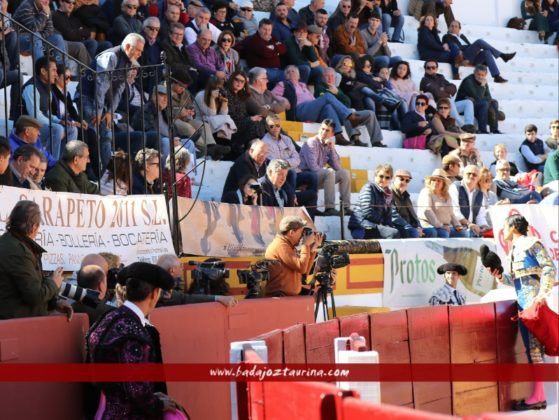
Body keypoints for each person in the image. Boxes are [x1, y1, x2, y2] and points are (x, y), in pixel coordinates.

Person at [86, 262, 186, 419]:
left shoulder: (107, 318)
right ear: (155, 294)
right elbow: (135, 388)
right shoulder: (134, 331)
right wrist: (158, 403)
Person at [487, 214, 556, 411]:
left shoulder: (532, 243)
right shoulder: (515, 250)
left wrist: (541, 295)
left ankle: (539, 396)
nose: (504, 231)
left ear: (514, 228)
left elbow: (550, 269)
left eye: (506, 227)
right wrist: (500, 276)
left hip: (532, 304)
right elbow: (513, 280)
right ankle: (539, 395)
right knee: (531, 349)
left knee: (534, 349)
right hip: (524, 305)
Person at [78, 33, 145, 169]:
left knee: (107, 134)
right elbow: (101, 85)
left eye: (141, 51)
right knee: (93, 131)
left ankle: (109, 171)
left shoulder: (128, 62)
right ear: (127, 46)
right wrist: (98, 110)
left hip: (102, 103)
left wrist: (109, 111)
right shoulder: (111, 56)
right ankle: (93, 169)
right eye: (137, 50)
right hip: (87, 97)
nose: (139, 54)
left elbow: (119, 90)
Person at [0, 201, 70, 320]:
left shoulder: (7, 242)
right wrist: (54, 282)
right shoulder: (20, 252)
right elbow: (34, 295)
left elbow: (24, 288)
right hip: (17, 325)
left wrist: (55, 303)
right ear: (34, 227)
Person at [271, 65, 369, 146]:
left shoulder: (303, 86)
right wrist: (282, 99)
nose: (291, 72)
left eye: (293, 71)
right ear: (285, 76)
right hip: (299, 110)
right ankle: (350, 116)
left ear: (299, 76)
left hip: (310, 109)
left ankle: (338, 136)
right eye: (288, 71)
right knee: (327, 96)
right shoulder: (283, 84)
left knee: (328, 107)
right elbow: (272, 95)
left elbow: (313, 100)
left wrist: (318, 103)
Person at [22, 56, 78, 161]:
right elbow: (35, 116)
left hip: (40, 125)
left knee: (72, 129)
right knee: (57, 129)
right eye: (53, 70)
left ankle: (63, 164)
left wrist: (60, 121)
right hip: (28, 127)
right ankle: (51, 164)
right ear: (43, 71)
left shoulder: (47, 88)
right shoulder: (31, 87)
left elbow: (46, 113)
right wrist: (55, 124)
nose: (56, 74)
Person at [299, 119, 352, 216]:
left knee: (344, 173)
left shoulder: (328, 144)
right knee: (329, 172)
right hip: (306, 179)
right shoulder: (311, 142)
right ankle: (330, 208)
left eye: (327, 130)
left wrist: (332, 148)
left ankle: (346, 207)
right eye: (322, 129)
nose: (323, 132)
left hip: (319, 178)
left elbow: (338, 167)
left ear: (332, 134)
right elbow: (313, 168)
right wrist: (328, 172)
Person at [264, 215, 321, 297]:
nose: (302, 236)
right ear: (291, 233)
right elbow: (301, 267)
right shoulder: (281, 245)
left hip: (288, 297)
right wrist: (305, 245)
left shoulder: (288, 245)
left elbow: (304, 272)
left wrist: (312, 249)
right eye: (301, 232)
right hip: (280, 297)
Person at [442, 20, 515, 83]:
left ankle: (497, 77)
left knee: (487, 52)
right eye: (452, 26)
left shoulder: (462, 36)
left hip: (472, 57)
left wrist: (476, 50)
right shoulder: (447, 36)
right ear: (449, 27)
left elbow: (470, 45)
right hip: (462, 57)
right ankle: (502, 55)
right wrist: (473, 48)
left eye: (456, 26)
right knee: (479, 41)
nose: (453, 28)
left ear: (459, 29)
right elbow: (452, 46)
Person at [156, 254, 237, 307]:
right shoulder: (161, 289)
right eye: (180, 265)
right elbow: (185, 299)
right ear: (172, 270)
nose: (183, 268)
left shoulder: (162, 283)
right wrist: (218, 298)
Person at [348, 164, 401, 239]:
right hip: (362, 226)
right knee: (394, 233)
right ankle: (384, 251)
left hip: (375, 225)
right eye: (381, 176)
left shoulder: (388, 194)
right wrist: (383, 223)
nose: (384, 179)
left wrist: (389, 225)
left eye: (387, 177)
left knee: (403, 232)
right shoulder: (369, 187)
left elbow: (388, 217)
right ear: (375, 176)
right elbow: (367, 212)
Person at [419, 60, 475, 131]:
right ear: (425, 69)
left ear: (436, 68)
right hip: (439, 106)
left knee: (468, 102)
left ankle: (469, 125)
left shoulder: (441, 77)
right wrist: (446, 91)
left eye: (433, 67)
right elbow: (437, 93)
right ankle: (463, 127)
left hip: (450, 104)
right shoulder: (424, 81)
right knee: (447, 100)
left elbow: (453, 88)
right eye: (428, 68)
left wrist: (443, 89)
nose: (431, 69)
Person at [224, 71, 267, 154]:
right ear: (231, 80)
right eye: (237, 80)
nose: (239, 83)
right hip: (232, 127)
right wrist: (250, 119)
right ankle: (252, 151)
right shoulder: (225, 93)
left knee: (265, 121)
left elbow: (244, 114)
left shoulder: (241, 96)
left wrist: (254, 118)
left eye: (242, 81)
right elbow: (230, 117)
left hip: (243, 124)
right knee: (255, 124)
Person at [417, 168, 467, 238]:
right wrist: (441, 226)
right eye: (433, 180)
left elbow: (451, 214)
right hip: (429, 225)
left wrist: (458, 226)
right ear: (430, 181)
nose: (435, 182)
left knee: (463, 233)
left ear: (443, 183)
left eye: (439, 181)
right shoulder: (426, 192)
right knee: (443, 233)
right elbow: (427, 210)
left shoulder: (447, 195)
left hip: (445, 226)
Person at [238, 18, 287, 86]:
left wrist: (273, 47)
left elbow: (283, 49)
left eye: (269, 30)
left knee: (289, 77)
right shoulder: (254, 39)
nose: (267, 32)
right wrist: (276, 50)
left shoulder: (272, 38)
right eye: (264, 29)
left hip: (275, 70)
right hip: (262, 70)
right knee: (284, 78)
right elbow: (266, 53)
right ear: (259, 29)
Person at [456, 64, 503, 134]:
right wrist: (482, 86)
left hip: (477, 104)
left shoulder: (483, 81)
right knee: (484, 103)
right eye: (478, 74)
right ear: (474, 73)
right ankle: (482, 129)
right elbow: (479, 97)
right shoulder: (468, 81)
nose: (480, 77)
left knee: (494, 102)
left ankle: (494, 129)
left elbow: (489, 97)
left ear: (485, 75)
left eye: (482, 75)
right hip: (465, 107)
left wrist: (482, 93)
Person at [391, 169, 433, 238]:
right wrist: (411, 227)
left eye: (407, 181)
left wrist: (419, 227)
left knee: (431, 232)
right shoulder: (389, 194)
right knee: (413, 232)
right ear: (394, 179)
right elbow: (393, 216)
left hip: (410, 226)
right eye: (401, 179)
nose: (404, 182)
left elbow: (413, 215)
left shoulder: (406, 196)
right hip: (397, 226)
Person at [417, 14, 460, 80]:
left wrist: (444, 45)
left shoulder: (434, 32)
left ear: (434, 23)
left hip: (435, 54)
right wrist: (443, 48)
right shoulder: (423, 30)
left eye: (431, 20)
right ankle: (459, 59)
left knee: (453, 55)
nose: (429, 21)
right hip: (428, 55)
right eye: (427, 20)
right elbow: (430, 44)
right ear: (424, 22)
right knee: (453, 54)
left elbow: (439, 44)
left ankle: (456, 75)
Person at [449, 164, 488, 237]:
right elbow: (454, 212)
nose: (471, 176)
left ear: (478, 178)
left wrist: (483, 228)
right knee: (465, 233)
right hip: (455, 226)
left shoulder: (479, 194)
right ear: (463, 175)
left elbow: (480, 216)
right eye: (469, 173)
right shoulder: (455, 187)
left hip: (470, 227)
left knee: (485, 235)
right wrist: (469, 224)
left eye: (474, 175)